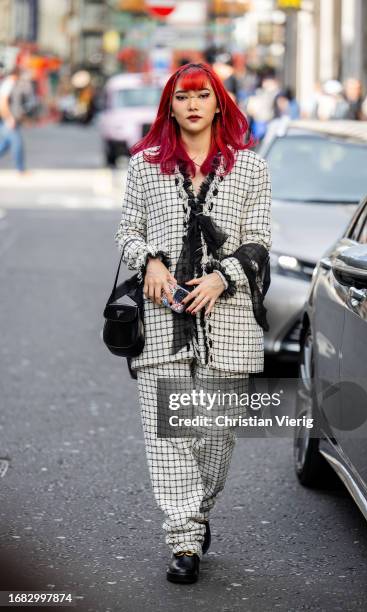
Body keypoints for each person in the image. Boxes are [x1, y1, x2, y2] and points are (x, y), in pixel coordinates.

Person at [114, 62, 272, 584]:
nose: (193, 105)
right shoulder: (145, 166)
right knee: (168, 436)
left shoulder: (251, 168)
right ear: (171, 107)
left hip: (228, 323)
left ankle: (196, 510)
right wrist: (151, 262)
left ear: (218, 103)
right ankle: (184, 537)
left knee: (212, 436)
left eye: (202, 95)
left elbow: (260, 238)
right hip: (162, 323)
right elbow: (127, 232)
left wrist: (223, 277)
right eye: (183, 97)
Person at [0, 65, 32, 172]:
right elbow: (2, 103)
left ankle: (21, 168)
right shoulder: (8, 84)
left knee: (5, 144)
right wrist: (9, 118)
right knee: (17, 143)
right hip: (7, 119)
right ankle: (21, 169)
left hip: (10, 119)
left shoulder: (13, 84)